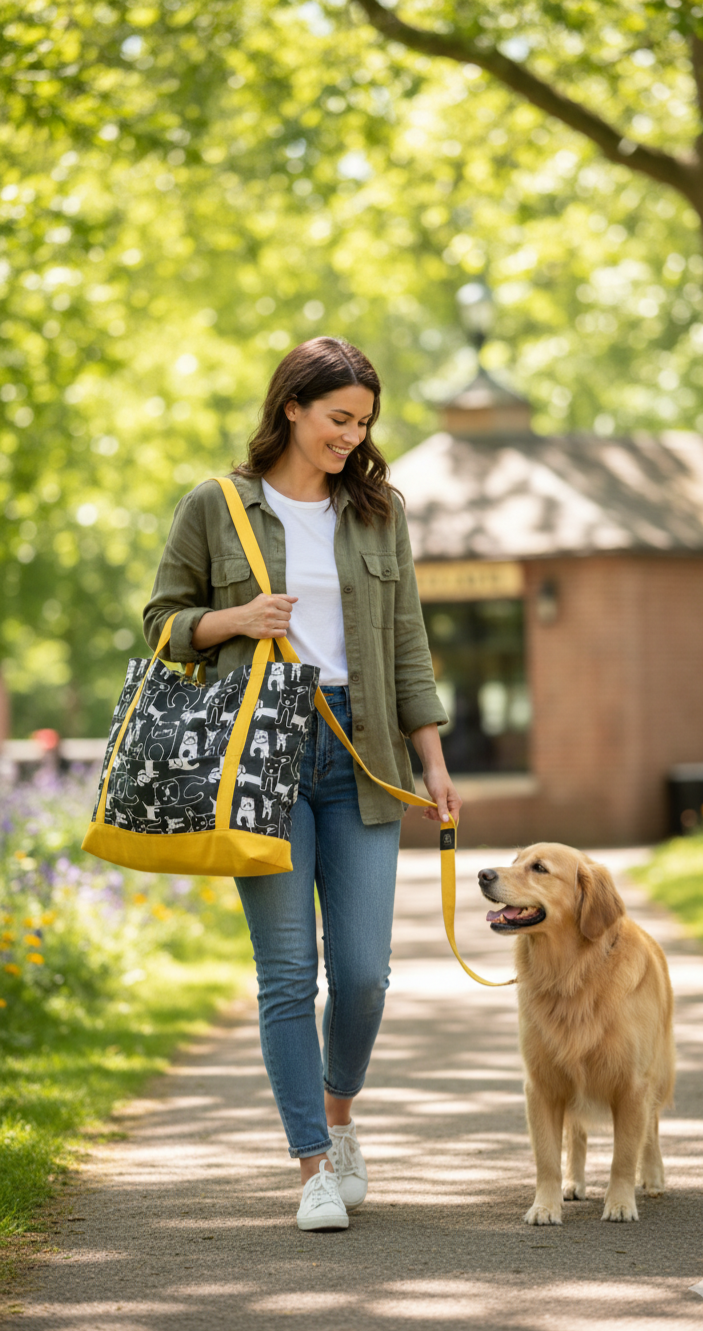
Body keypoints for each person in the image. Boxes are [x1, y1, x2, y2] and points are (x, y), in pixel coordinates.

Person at [144, 337, 462, 1230]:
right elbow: (161, 623)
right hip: (262, 752)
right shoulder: (216, 505)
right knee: (288, 973)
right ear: (291, 406)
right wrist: (235, 619)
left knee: (363, 975)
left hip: (364, 750)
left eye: (362, 422)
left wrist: (432, 761)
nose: (351, 437)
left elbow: (406, 642)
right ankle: (312, 1165)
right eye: (337, 418)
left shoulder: (378, 510)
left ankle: (339, 1114)